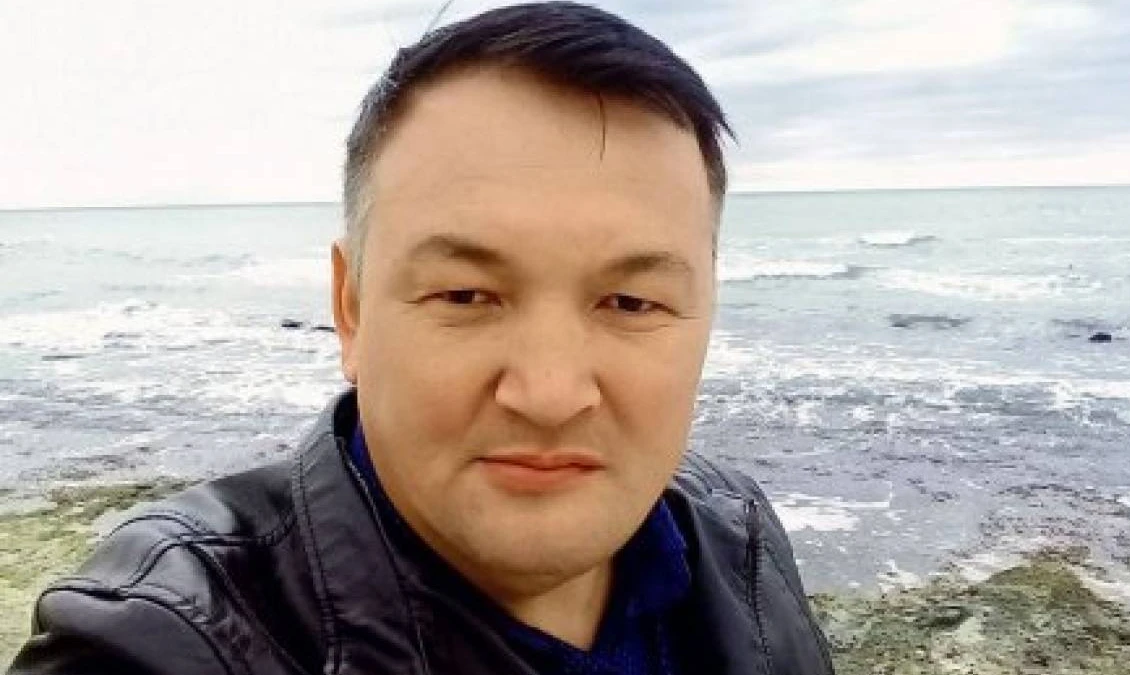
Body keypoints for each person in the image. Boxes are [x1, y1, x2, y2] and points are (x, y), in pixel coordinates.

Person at [9, 3, 834, 673]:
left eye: (630, 301)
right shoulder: (163, 640)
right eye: (467, 294)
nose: (549, 394)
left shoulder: (738, 538)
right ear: (351, 309)